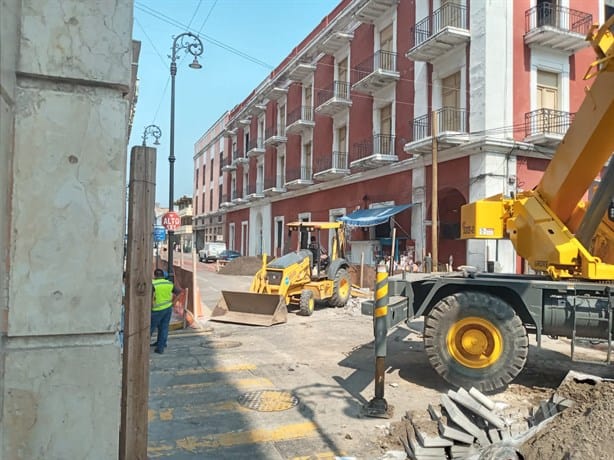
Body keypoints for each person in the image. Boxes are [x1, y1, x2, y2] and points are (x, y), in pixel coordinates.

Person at [151, 268, 181, 354]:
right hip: (167, 308)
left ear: (155, 275)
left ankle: (143, 347)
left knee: (150, 329)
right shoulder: (169, 283)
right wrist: (173, 303)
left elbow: (150, 296)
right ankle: (161, 346)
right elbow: (179, 292)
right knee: (164, 328)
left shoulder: (153, 284)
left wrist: (151, 305)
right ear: (163, 275)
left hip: (156, 310)